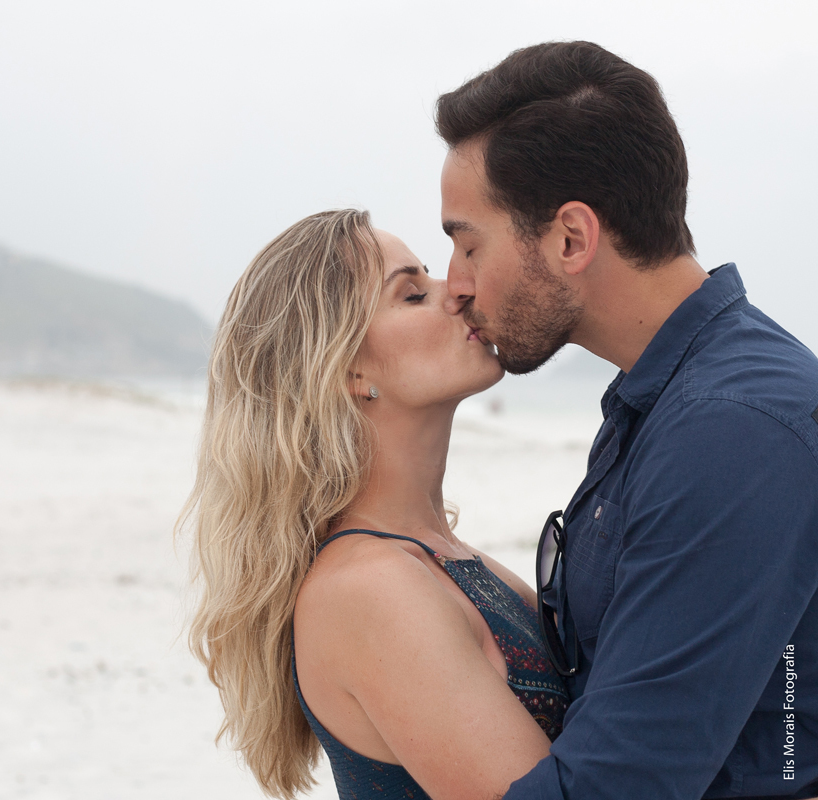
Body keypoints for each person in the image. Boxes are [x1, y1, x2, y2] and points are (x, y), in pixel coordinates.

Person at [435, 41, 818, 799]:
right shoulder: (665, 398)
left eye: (468, 243)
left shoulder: (732, 428)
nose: (456, 285)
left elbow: (618, 787)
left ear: (571, 238)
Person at [181, 208, 569, 799]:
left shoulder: (447, 562)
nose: (459, 289)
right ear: (345, 369)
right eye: (413, 294)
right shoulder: (368, 590)